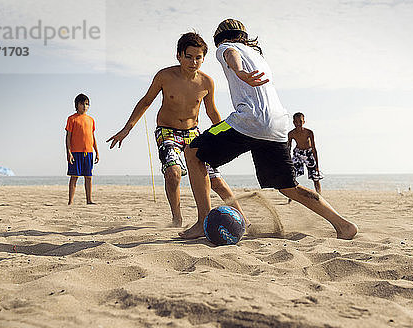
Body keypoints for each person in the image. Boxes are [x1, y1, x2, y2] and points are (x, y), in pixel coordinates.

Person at [182, 19, 357, 240]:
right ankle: (343, 225)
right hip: (277, 126)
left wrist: (240, 72)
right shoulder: (259, 57)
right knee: (288, 186)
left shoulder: (225, 47)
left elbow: (230, 56)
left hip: (248, 121)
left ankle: (202, 221)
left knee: (193, 152)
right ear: (244, 36)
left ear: (219, 39)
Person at [107, 32, 245, 227]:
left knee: (215, 180)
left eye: (198, 57)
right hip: (167, 131)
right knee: (173, 173)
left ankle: (243, 219)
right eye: (188, 56)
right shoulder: (165, 76)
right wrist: (127, 129)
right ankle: (177, 218)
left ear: (204, 59)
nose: (193, 62)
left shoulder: (207, 82)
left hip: (194, 133)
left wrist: (226, 138)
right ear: (179, 55)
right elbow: (146, 102)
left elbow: (212, 112)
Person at [65, 93, 99, 205]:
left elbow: (92, 136)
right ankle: (70, 201)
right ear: (77, 105)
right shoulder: (71, 119)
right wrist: (69, 152)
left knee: (88, 177)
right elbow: (68, 137)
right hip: (75, 153)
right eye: (82, 104)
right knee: (74, 177)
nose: (85, 106)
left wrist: (97, 152)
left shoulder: (91, 120)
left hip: (88, 152)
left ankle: (89, 200)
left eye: (87, 104)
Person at [288, 112, 323, 195]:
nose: (298, 124)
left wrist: (317, 165)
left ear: (304, 122)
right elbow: (288, 148)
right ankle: (291, 196)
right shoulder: (291, 134)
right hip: (298, 153)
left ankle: (319, 195)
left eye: (300, 121)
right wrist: (288, 162)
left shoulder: (309, 132)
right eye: (296, 122)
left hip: (308, 153)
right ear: (293, 122)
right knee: (291, 174)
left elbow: (314, 148)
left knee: (315, 176)